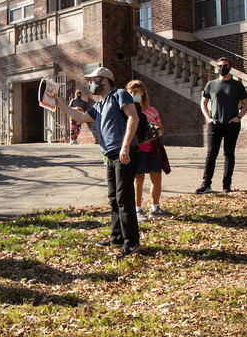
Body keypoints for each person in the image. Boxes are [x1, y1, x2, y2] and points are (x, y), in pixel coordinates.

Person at [55, 67, 142, 256]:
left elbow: (133, 118)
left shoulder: (120, 94)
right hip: (110, 155)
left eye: (93, 80)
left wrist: (126, 146)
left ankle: (132, 242)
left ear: (104, 81)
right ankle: (117, 237)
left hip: (124, 152)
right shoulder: (99, 104)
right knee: (114, 198)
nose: (89, 84)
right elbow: (79, 116)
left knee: (124, 198)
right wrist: (61, 104)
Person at [197, 58, 247, 194]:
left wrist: (239, 117)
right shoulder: (210, 84)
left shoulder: (237, 85)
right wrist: (208, 118)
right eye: (220, 66)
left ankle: (226, 184)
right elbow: (203, 102)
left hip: (231, 125)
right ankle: (206, 184)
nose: (222, 68)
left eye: (225, 66)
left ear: (230, 68)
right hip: (215, 124)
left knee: (229, 154)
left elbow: (246, 103)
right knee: (211, 154)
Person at [126, 80, 172, 220]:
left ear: (142, 92)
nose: (133, 94)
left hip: (153, 149)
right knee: (138, 180)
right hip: (138, 150)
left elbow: (161, 128)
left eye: (135, 92)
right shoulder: (128, 110)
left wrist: (157, 131)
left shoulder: (152, 111)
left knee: (156, 178)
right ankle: (138, 209)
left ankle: (155, 207)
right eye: (130, 92)